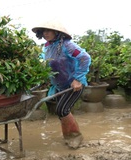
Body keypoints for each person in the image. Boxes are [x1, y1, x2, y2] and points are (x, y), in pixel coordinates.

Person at [32, 20, 91, 149]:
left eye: (49, 31)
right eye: (44, 31)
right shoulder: (47, 47)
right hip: (59, 86)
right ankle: (67, 136)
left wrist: (78, 79)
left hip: (73, 85)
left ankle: (76, 136)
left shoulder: (67, 45)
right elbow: (46, 65)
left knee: (62, 110)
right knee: (61, 112)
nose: (45, 33)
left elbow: (85, 58)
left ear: (57, 32)